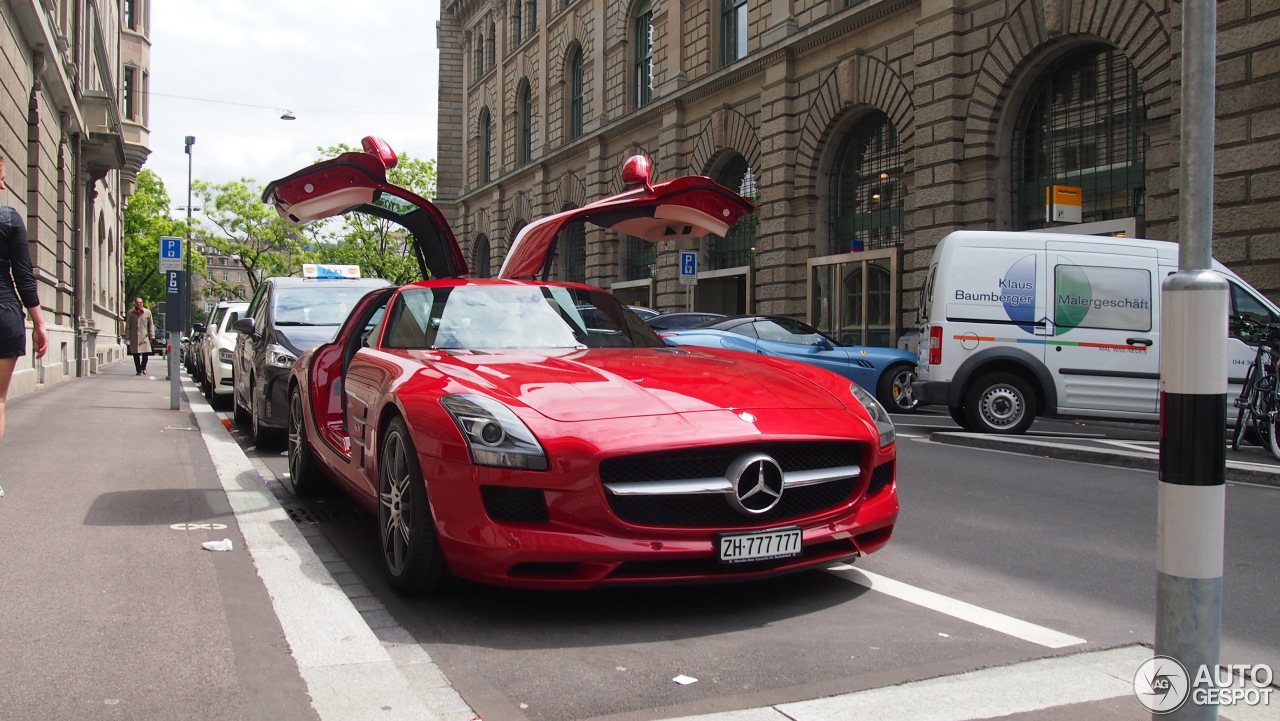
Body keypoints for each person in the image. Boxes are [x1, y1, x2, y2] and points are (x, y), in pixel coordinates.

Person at [0, 154, 48, 447]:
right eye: (2, 179)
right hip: (5, 313)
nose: (4, 187)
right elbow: (23, 276)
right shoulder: (10, 219)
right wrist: (39, 323)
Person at [125, 296, 155, 375]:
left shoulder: (147, 312)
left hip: (144, 337)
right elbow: (128, 325)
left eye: (140, 303)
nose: (139, 304)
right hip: (134, 337)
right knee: (135, 355)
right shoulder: (130, 313)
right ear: (135, 304)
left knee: (145, 354)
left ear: (142, 303)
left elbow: (151, 325)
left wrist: (152, 336)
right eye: (137, 303)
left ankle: (143, 367)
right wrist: (127, 337)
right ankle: (138, 370)